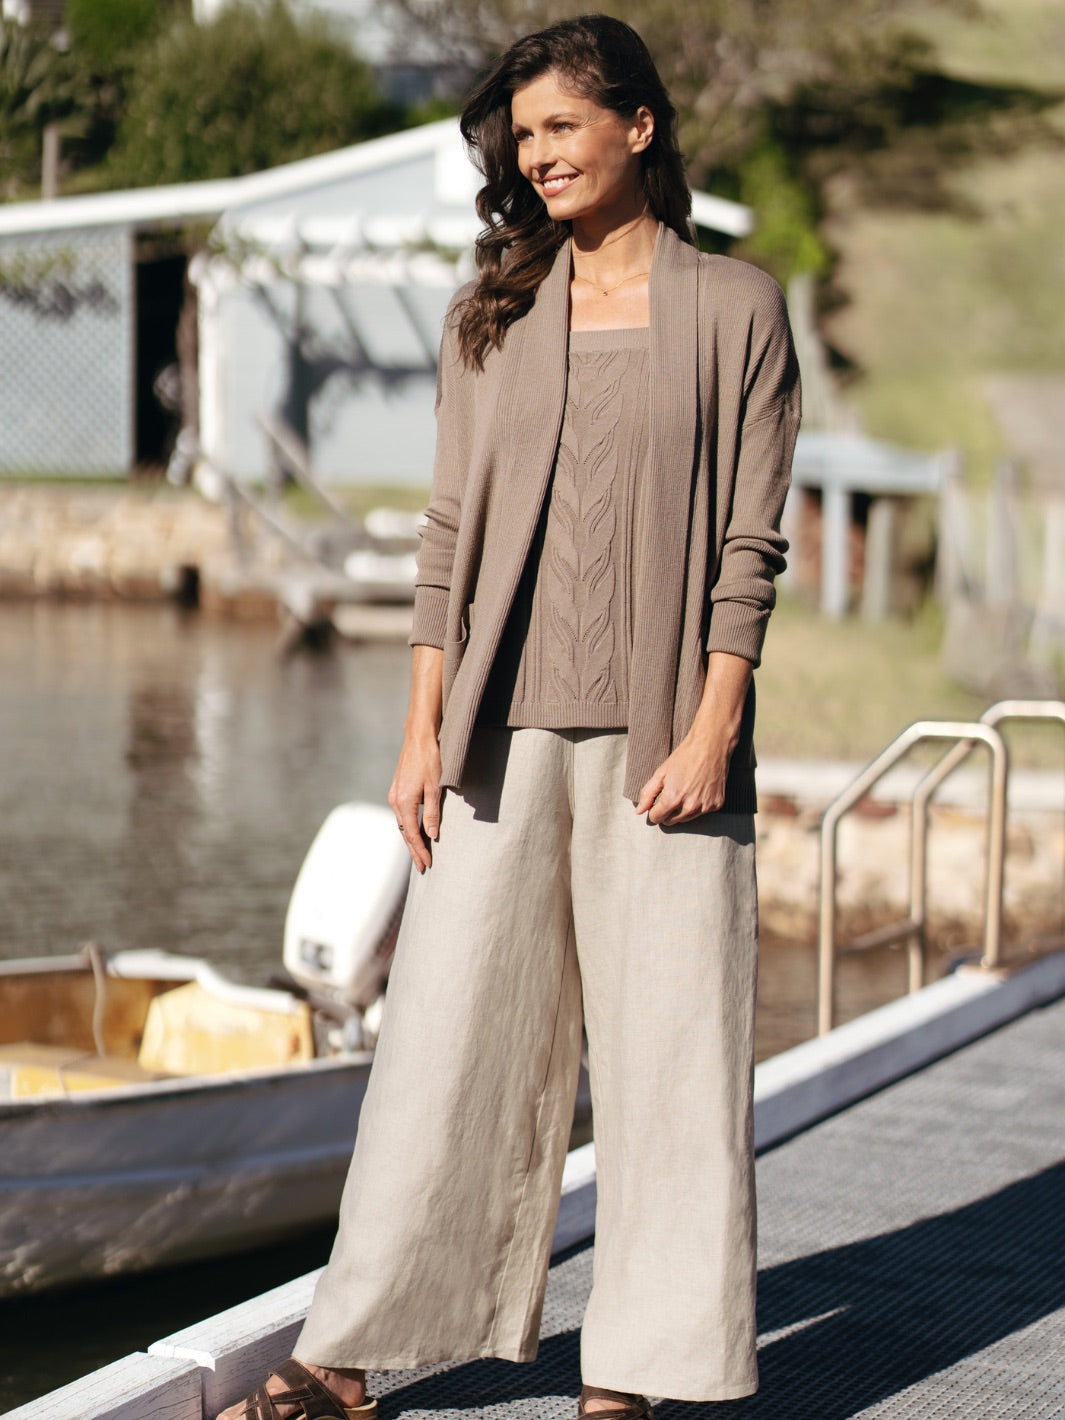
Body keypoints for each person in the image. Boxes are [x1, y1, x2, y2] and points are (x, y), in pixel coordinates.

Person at [219, 14, 799, 1420]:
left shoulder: (736, 308)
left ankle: (635, 1380)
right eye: (521, 136)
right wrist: (419, 733)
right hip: (495, 744)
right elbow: (442, 542)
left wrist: (715, 726)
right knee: (440, 1050)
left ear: (639, 128)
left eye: (560, 128)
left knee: (671, 1067)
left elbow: (747, 548)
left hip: (667, 740)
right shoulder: (493, 318)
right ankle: (351, 1361)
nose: (536, 155)